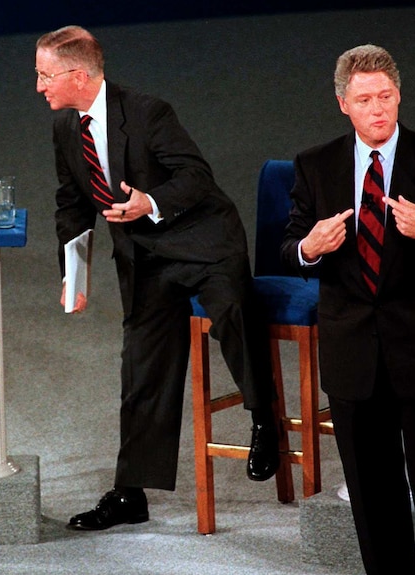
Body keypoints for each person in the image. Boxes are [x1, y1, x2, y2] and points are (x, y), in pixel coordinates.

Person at [34, 25, 279, 531]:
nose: (38, 87)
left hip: (202, 242)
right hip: (146, 257)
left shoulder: (147, 112)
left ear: (78, 76)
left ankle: (264, 420)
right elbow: (72, 203)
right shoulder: (65, 127)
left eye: (43, 75)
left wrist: (149, 201)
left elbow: (196, 176)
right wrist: (73, 273)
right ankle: (130, 494)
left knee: (232, 311)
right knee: (141, 365)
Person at [281, 44, 415, 575]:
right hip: (354, 356)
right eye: (364, 99)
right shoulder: (315, 165)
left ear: (399, 96)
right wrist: (311, 247)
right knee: (375, 505)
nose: (378, 109)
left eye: (386, 97)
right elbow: (288, 248)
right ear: (342, 104)